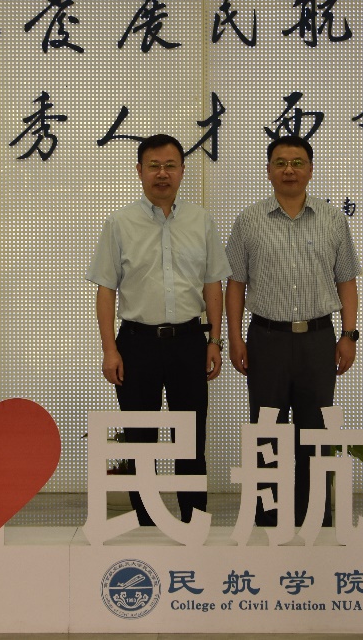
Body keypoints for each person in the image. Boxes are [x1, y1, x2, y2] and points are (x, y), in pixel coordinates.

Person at [87, 133, 230, 525]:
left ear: (182, 171)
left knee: (191, 438)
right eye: (154, 166)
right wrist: (109, 349)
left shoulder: (201, 221)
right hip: (137, 344)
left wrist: (215, 340)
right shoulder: (119, 223)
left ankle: (193, 520)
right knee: (140, 440)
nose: (162, 173)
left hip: (189, 342)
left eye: (170, 166)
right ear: (139, 171)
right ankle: (147, 523)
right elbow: (106, 290)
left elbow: (213, 285)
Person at [225, 135, 360, 527]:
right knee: (267, 430)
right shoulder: (249, 220)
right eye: (281, 163)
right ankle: (268, 516)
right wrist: (234, 338)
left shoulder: (333, 219)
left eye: (297, 162)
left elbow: (347, 282)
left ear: (310, 170)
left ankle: (315, 515)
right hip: (266, 339)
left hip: (318, 340)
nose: (289, 170)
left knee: (315, 431)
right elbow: (235, 284)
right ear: (268, 171)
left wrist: (349, 334)